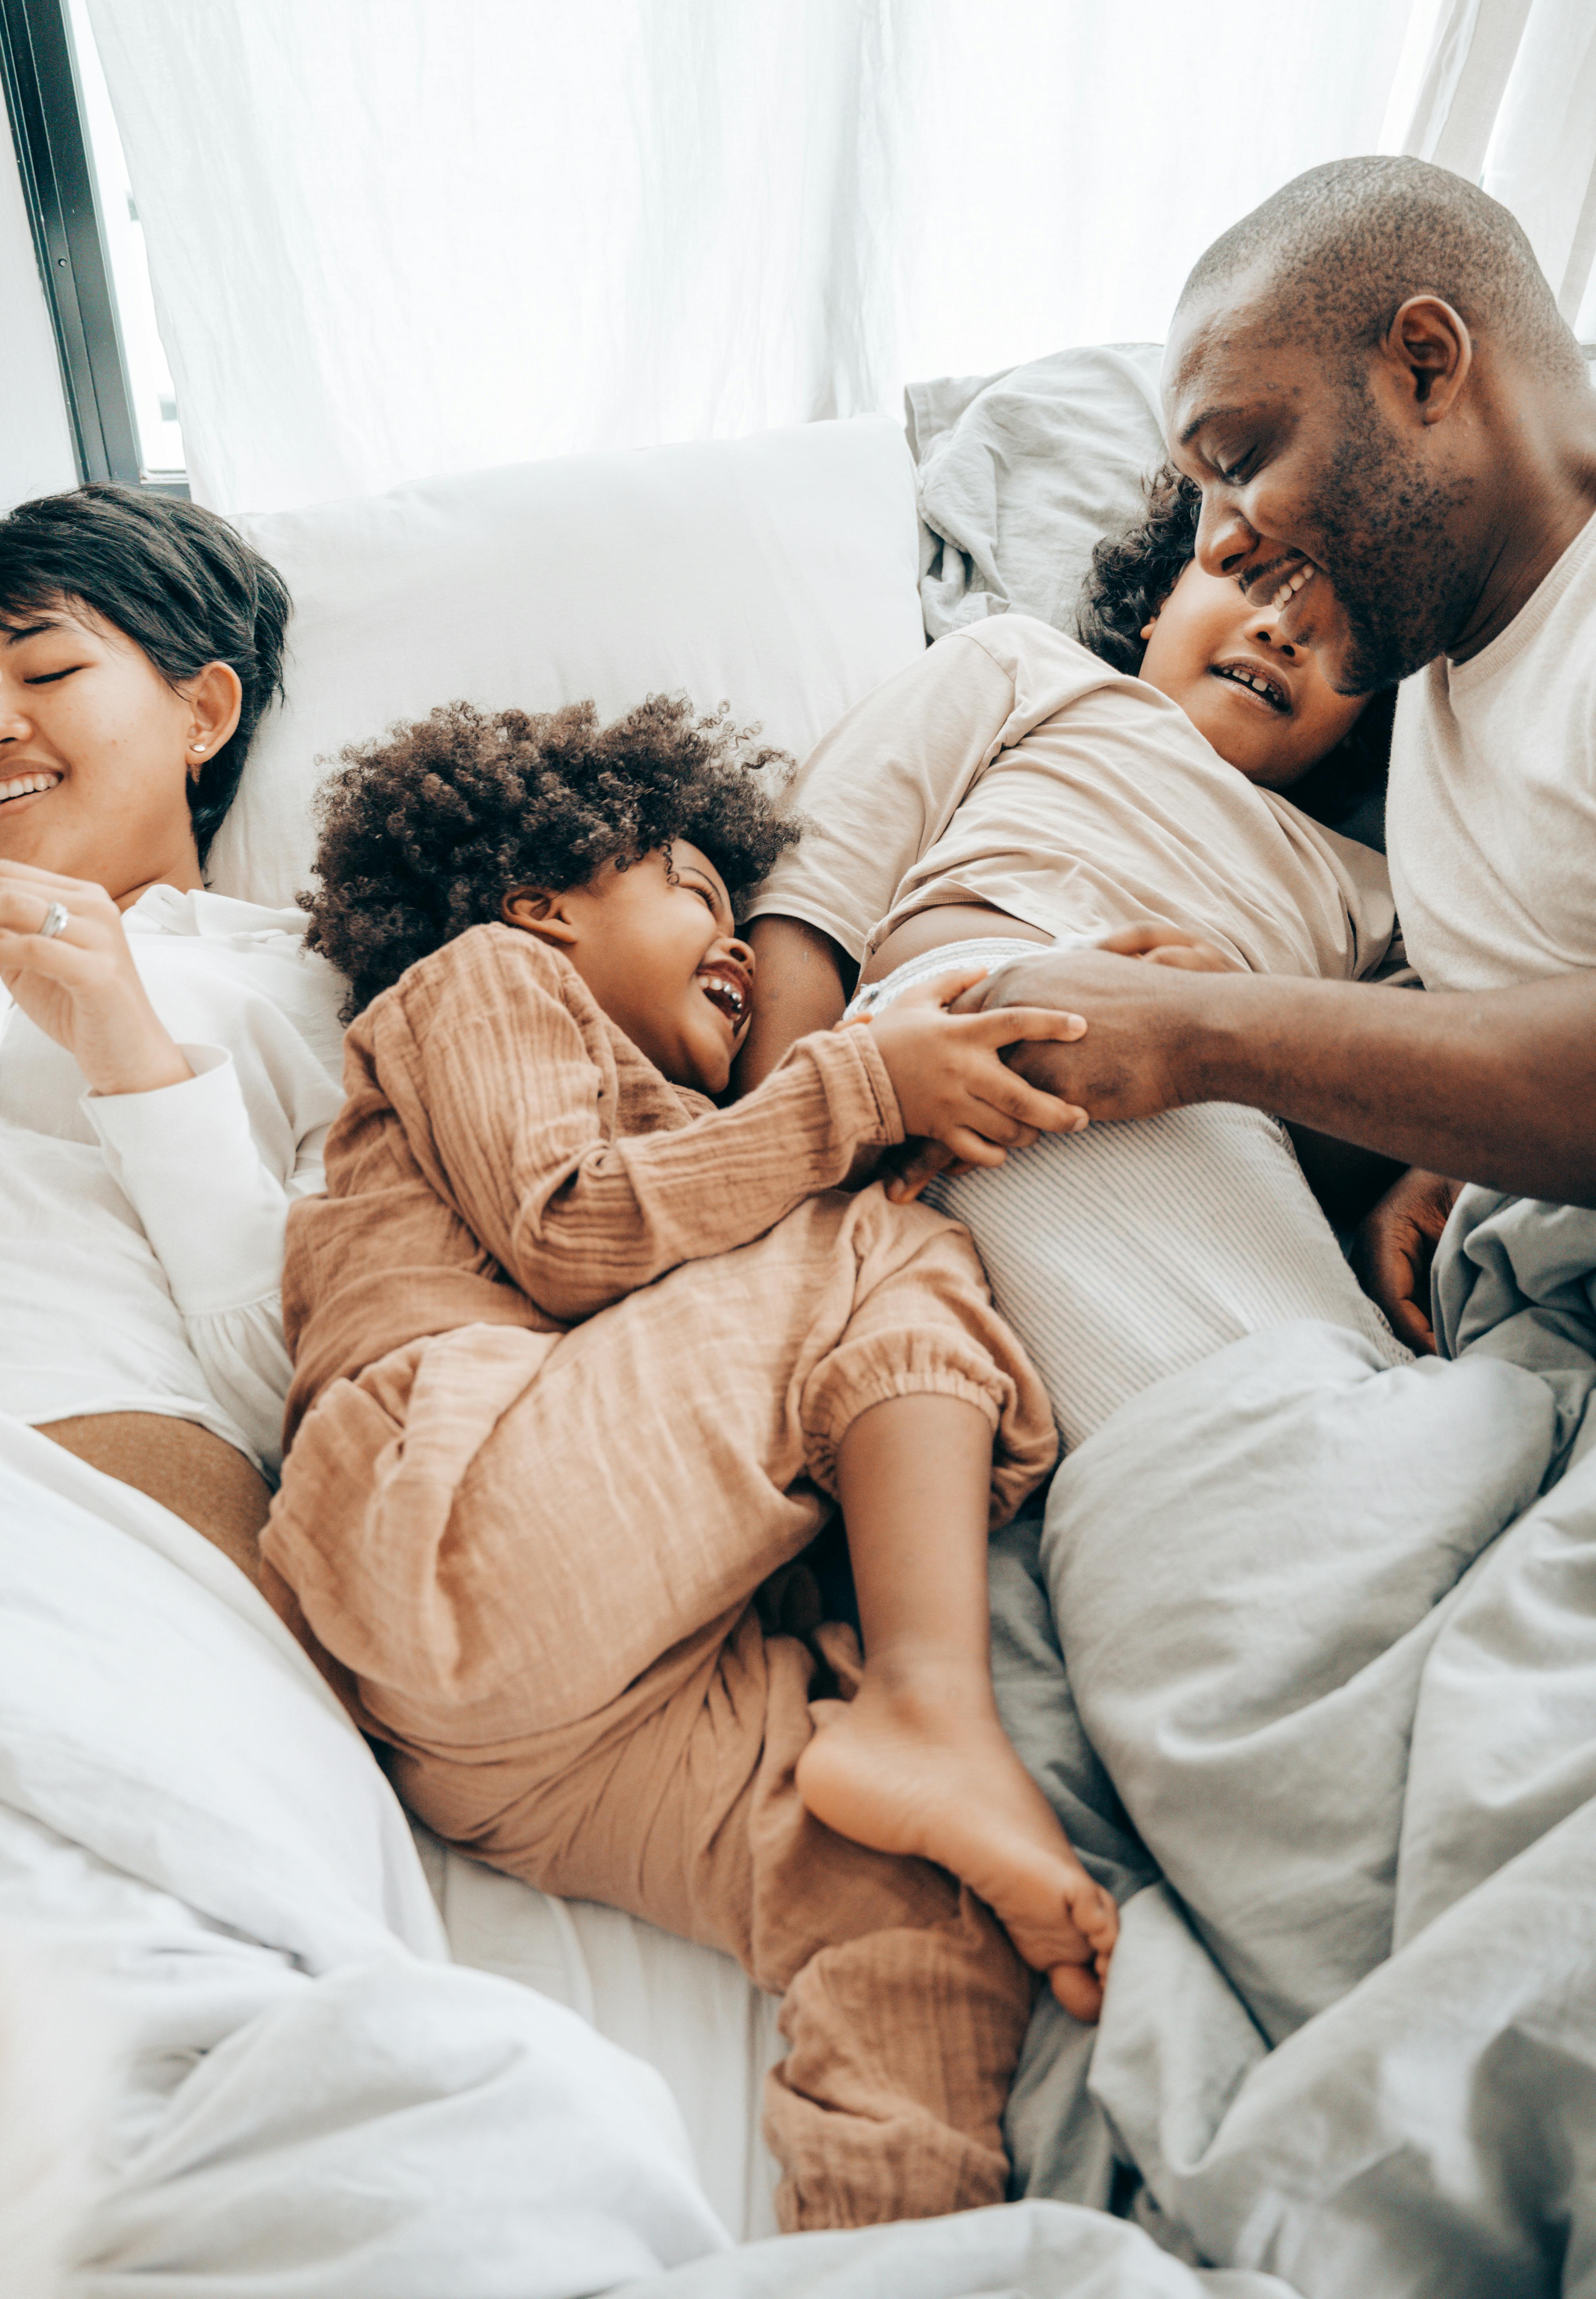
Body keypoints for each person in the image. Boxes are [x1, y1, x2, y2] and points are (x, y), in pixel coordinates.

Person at [265, 692, 1120, 2230]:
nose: (732, 936)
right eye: (688, 886)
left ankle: (897, 2249)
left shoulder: (713, 1145)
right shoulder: (484, 979)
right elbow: (577, 1224)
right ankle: (934, 1701)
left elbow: (716, 1306)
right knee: (882, 1243)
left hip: (538, 1736)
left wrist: (999, 1053)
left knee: (917, 1914)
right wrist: (869, 1092)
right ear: (543, 897)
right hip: (448, 1510)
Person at [931, 156, 1596, 1350]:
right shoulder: (1436, 666)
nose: (1222, 549)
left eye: (1237, 464)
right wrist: (1453, 1158)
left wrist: (1204, 1031)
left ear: (1427, 366)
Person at [739, 471, 1406, 1454]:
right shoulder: (1030, 670)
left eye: (1339, 624)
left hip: (1216, 1115)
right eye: (1253, 576)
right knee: (1262, 1430)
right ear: (1155, 603)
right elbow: (809, 895)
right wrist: (784, 1160)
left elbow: (1370, 1120)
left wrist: (1240, 1027)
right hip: (954, 1043)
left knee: (1314, 1389)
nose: (1282, 629)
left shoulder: (1378, 891)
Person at [0, 484, 344, 1581]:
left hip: (84, 1459)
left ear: (203, 714)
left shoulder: (310, 984)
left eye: (46, 672)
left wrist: (133, 1060)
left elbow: (309, 1392)